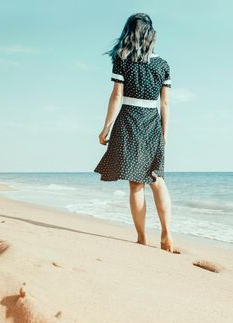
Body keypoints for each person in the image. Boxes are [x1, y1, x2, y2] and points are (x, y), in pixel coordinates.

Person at [94, 13, 174, 253]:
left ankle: (141, 237)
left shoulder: (122, 61)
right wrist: (165, 133)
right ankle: (167, 232)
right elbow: (165, 104)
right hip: (152, 123)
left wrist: (106, 127)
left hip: (129, 120)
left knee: (136, 184)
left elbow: (117, 96)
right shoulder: (163, 65)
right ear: (151, 36)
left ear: (129, 33)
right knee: (157, 180)